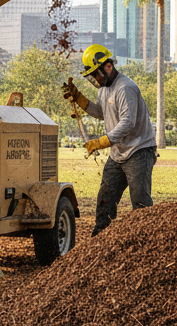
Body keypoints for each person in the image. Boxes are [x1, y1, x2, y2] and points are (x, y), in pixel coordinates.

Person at [62, 43, 157, 236]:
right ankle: (99, 239)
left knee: (140, 201)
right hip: (118, 153)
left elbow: (127, 123)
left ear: (108, 66)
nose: (95, 79)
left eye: (96, 74)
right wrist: (79, 98)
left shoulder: (125, 88)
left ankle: (146, 240)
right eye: (91, 76)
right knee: (105, 198)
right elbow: (101, 112)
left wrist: (101, 142)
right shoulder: (104, 88)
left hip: (139, 150)